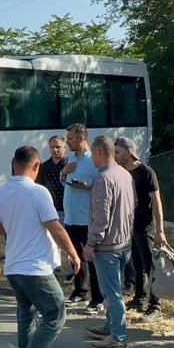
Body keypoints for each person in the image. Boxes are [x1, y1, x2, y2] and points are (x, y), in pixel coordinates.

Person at [0, 145, 81, 348]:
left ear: (13, 163)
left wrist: (16, 224)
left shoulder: (0, 193)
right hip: (36, 267)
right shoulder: (39, 192)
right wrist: (73, 253)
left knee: (27, 314)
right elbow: (55, 227)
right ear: (37, 166)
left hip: (15, 265)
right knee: (56, 313)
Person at [83, 136, 136, 348]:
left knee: (111, 292)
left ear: (98, 152)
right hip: (124, 242)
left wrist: (91, 242)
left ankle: (118, 337)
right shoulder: (124, 174)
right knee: (115, 290)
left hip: (107, 246)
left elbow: (101, 215)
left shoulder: (103, 179)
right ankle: (110, 326)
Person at [114, 137, 168, 322]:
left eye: (118, 152)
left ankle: (156, 305)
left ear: (129, 152)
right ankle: (139, 298)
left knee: (150, 266)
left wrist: (160, 229)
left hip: (145, 227)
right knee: (137, 265)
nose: (115, 155)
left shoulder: (146, 172)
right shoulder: (120, 172)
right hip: (128, 227)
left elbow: (156, 201)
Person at [61, 123, 103, 313]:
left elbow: (102, 184)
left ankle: (97, 299)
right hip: (70, 216)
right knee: (74, 256)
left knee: (92, 259)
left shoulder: (93, 160)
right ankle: (80, 291)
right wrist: (63, 173)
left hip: (87, 218)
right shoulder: (71, 157)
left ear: (80, 138)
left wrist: (88, 186)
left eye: (69, 139)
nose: (67, 142)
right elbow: (65, 183)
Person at [37, 135, 71, 282]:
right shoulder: (44, 167)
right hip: (51, 209)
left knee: (69, 239)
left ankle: (71, 271)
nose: (55, 150)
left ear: (65, 147)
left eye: (58, 147)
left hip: (69, 208)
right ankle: (55, 270)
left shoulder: (70, 164)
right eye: (52, 147)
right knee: (53, 242)